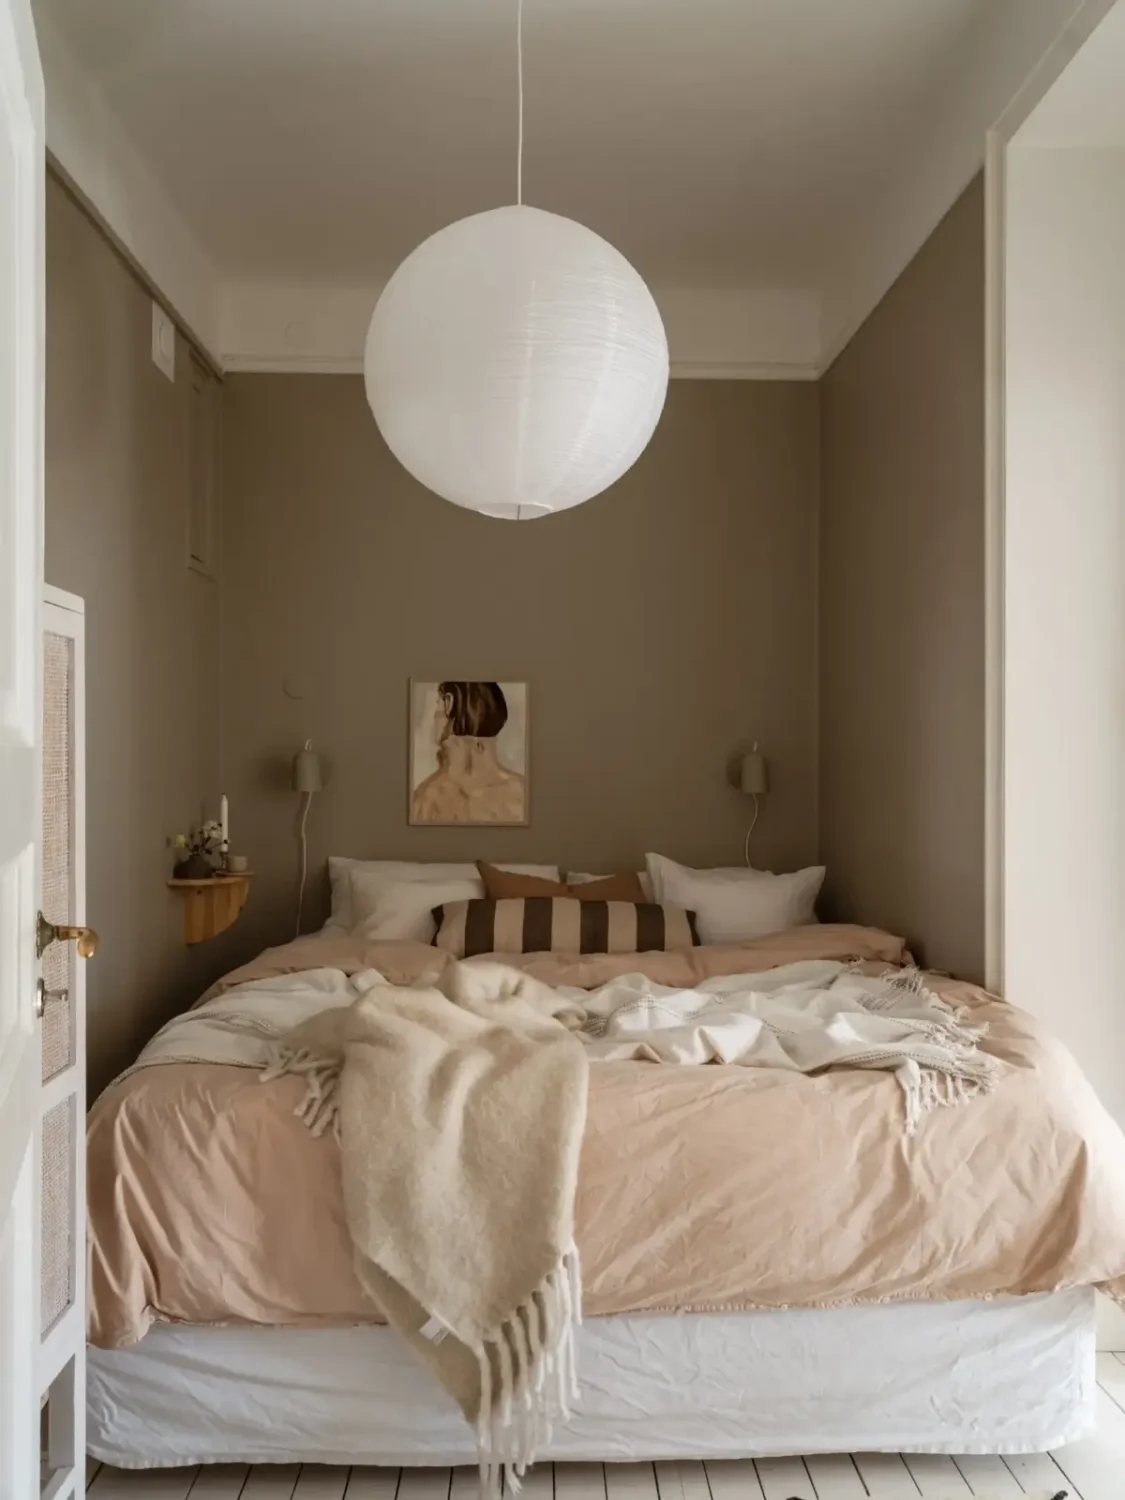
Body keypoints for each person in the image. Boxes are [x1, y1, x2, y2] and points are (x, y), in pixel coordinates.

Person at [411, 681, 527, 824]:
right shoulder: (523, 793)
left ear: (449, 702)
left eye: (437, 704)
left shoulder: (426, 799)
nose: (435, 716)